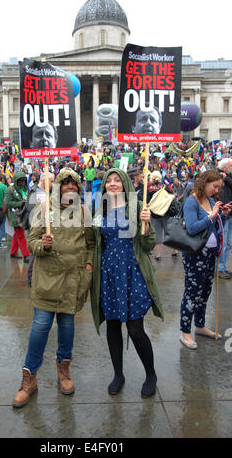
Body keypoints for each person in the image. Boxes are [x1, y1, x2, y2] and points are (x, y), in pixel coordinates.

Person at [12, 169, 95, 408]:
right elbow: (31, 241)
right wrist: (43, 245)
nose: (70, 188)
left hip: (73, 281)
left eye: (74, 185)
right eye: (65, 185)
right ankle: (29, 378)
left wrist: (88, 265)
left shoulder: (83, 211)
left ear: (79, 189)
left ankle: (64, 370)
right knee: (40, 328)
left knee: (67, 327)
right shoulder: (44, 209)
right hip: (48, 280)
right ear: (57, 187)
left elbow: (90, 242)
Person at [91, 169, 163, 398]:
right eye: (108, 181)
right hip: (109, 273)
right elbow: (93, 240)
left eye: (117, 180)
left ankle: (150, 374)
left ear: (124, 184)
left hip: (132, 271)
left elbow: (148, 244)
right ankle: (118, 374)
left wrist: (147, 225)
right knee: (112, 326)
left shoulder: (136, 207)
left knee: (135, 329)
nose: (112, 184)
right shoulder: (100, 208)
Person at [179, 170, 232, 349]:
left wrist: (222, 215)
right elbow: (193, 228)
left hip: (210, 253)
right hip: (195, 255)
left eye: (218, 187)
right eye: (214, 186)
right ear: (205, 183)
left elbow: (214, 226)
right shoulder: (191, 202)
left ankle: (200, 325)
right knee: (192, 294)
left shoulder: (210, 201)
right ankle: (185, 331)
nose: (216, 191)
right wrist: (211, 215)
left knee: (204, 293)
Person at [4, 171, 30, 263]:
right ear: (16, 181)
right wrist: (20, 203)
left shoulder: (24, 189)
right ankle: (26, 255)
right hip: (15, 215)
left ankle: (13, 252)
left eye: (23, 181)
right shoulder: (9, 190)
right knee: (20, 234)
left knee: (17, 234)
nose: (22, 183)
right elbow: (7, 203)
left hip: (23, 214)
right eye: (20, 181)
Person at [218, 158, 232, 279]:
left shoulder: (228, 178)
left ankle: (223, 266)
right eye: (231, 166)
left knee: (229, 243)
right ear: (224, 168)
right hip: (224, 213)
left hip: (231, 214)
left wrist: (226, 178)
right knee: (223, 243)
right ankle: (219, 268)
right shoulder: (218, 177)